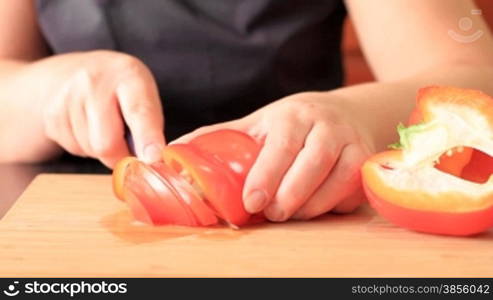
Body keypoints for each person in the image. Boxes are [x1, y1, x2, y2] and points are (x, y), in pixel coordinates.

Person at [0, 0, 492, 222]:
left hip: (306, 205)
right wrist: (43, 91)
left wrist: (355, 113)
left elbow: (476, 70)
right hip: (65, 209)